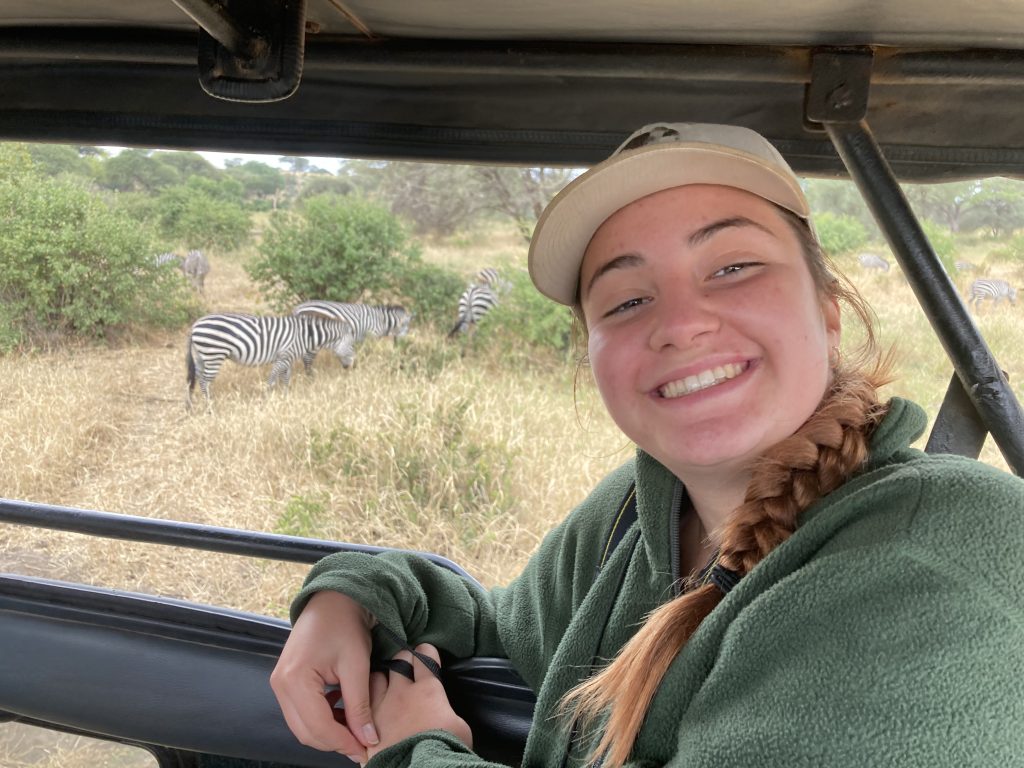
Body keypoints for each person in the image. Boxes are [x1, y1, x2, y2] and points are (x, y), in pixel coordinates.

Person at [270, 122, 1024, 767]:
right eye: (627, 299)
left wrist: (418, 752)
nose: (679, 323)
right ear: (593, 354)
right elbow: (498, 626)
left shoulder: (938, 553)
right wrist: (353, 596)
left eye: (732, 267)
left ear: (828, 312)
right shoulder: (637, 514)